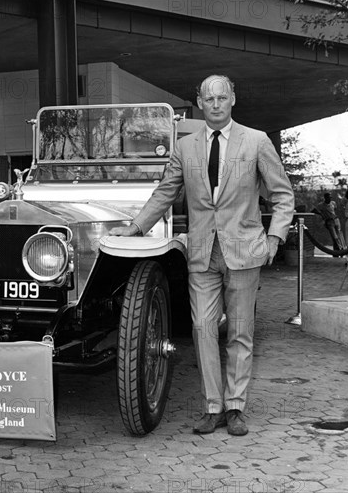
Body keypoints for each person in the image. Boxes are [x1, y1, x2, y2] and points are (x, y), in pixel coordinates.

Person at [110, 75, 295, 436]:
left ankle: (236, 407)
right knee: (202, 329)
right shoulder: (186, 146)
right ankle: (213, 406)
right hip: (201, 253)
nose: (215, 104)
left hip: (244, 252)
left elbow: (282, 195)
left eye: (221, 97)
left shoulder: (256, 141)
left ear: (233, 100)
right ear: (199, 101)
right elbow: (166, 192)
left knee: (240, 332)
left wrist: (275, 238)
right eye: (208, 98)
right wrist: (134, 228)